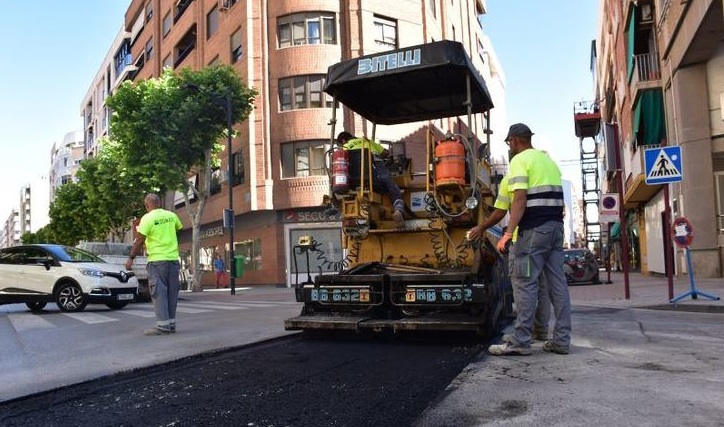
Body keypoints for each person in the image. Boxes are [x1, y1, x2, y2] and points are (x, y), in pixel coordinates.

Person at [487, 123, 571, 356]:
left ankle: (520, 341)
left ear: (514, 141)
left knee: (524, 284)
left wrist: (507, 232)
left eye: (509, 143)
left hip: (533, 232)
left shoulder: (520, 161)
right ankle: (562, 341)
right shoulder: (548, 162)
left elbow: (520, 199)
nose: (510, 148)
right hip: (555, 230)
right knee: (558, 286)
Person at [468, 173, 551, 342]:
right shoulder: (546, 179)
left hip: (522, 240)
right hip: (547, 236)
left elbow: (500, 212)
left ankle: (522, 337)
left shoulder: (512, 180)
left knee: (523, 288)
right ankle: (541, 330)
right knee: (543, 287)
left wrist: (496, 231)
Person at [126, 193, 183, 336]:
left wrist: (131, 258)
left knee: (159, 293)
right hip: (173, 260)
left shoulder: (147, 218)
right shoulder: (171, 215)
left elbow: (139, 240)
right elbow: (178, 228)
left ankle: (163, 327)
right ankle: (171, 324)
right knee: (171, 293)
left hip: (157, 261)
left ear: (147, 205)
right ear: (159, 202)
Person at [337, 131, 405, 227]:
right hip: (380, 177)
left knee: (378, 190)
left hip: (358, 184)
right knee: (393, 190)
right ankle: (398, 210)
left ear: (343, 140)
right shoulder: (367, 142)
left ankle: (381, 209)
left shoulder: (345, 148)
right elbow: (386, 153)